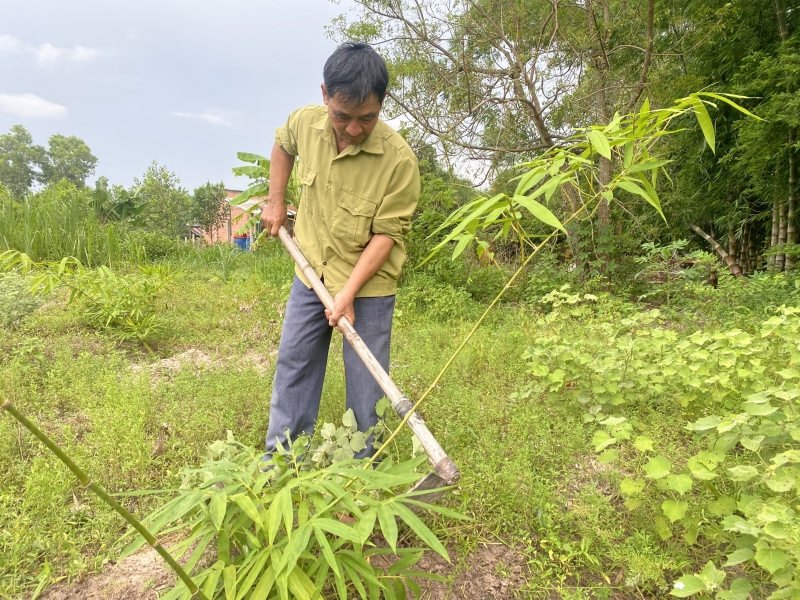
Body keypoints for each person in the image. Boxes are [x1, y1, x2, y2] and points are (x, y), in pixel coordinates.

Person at [259, 42, 420, 460]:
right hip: (310, 272)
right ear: (325, 94)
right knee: (294, 367)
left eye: (366, 118)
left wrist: (348, 293)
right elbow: (282, 145)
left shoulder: (399, 162)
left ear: (381, 105)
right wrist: (276, 200)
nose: (352, 129)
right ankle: (282, 464)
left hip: (367, 287)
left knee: (368, 387)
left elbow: (386, 235)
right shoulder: (305, 123)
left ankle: (360, 476)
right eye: (342, 116)